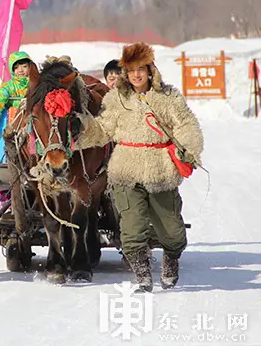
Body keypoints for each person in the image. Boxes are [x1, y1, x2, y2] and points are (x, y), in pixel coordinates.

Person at [76, 42, 204, 292]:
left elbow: (186, 124)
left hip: (161, 170)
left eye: (141, 69)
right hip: (126, 169)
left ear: (150, 70)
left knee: (172, 232)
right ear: (125, 72)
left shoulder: (168, 98)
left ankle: (171, 259)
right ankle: (143, 276)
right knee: (131, 231)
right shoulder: (116, 100)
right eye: (131, 69)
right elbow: (103, 129)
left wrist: (189, 149)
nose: (136, 74)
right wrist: (79, 129)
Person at [0, 51, 34, 144]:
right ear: (12, 70)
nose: (21, 70)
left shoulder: (37, 85)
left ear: (30, 67)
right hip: (14, 124)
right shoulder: (9, 86)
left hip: (34, 122)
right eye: (16, 67)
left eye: (24, 66)